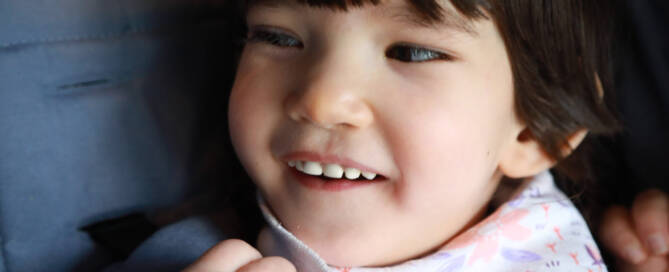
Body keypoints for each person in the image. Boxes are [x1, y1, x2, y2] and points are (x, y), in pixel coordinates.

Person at [182, 0, 620, 271]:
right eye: (278, 37)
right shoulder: (171, 245)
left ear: (537, 130)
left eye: (411, 53)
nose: (322, 101)